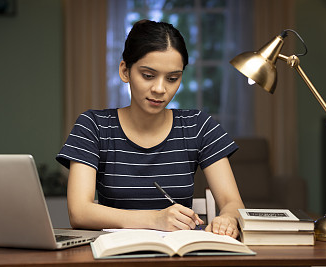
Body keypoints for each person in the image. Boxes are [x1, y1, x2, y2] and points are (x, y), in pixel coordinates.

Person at [56, 19, 244, 239]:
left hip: (178, 254)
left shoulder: (198, 125)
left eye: (173, 78)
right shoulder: (93, 126)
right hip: (115, 254)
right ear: (125, 71)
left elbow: (233, 203)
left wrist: (228, 219)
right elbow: (79, 212)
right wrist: (155, 219)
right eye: (148, 75)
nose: (160, 89)